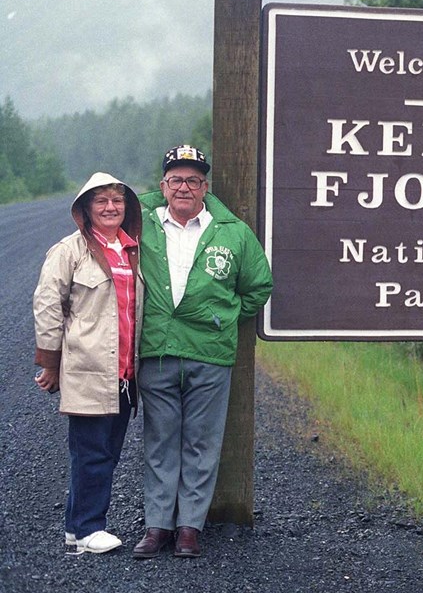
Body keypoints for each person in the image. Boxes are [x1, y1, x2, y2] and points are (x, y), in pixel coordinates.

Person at [133, 145, 272, 559]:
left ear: (205, 187)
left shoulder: (231, 231)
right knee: (160, 440)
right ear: (163, 186)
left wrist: (223, 318)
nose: (184, 187)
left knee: (201, 442)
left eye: (193, 180)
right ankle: (157, 526)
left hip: (209, 355)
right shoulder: (140, 222)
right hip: (156, 350)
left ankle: (190, 527)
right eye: (176, 179)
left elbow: (259, 287)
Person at [33, 172, 143, 554]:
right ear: (85, 209)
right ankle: (89, 531)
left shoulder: (133, 249)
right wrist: (50, 363)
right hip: (89, 368)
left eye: (117, 200)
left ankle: (74, 528)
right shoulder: (69, 251)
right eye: (102, 202)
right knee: (91, 453)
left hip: (127, 371)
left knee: (106, 453)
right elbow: (47, 306)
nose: (111, 208)